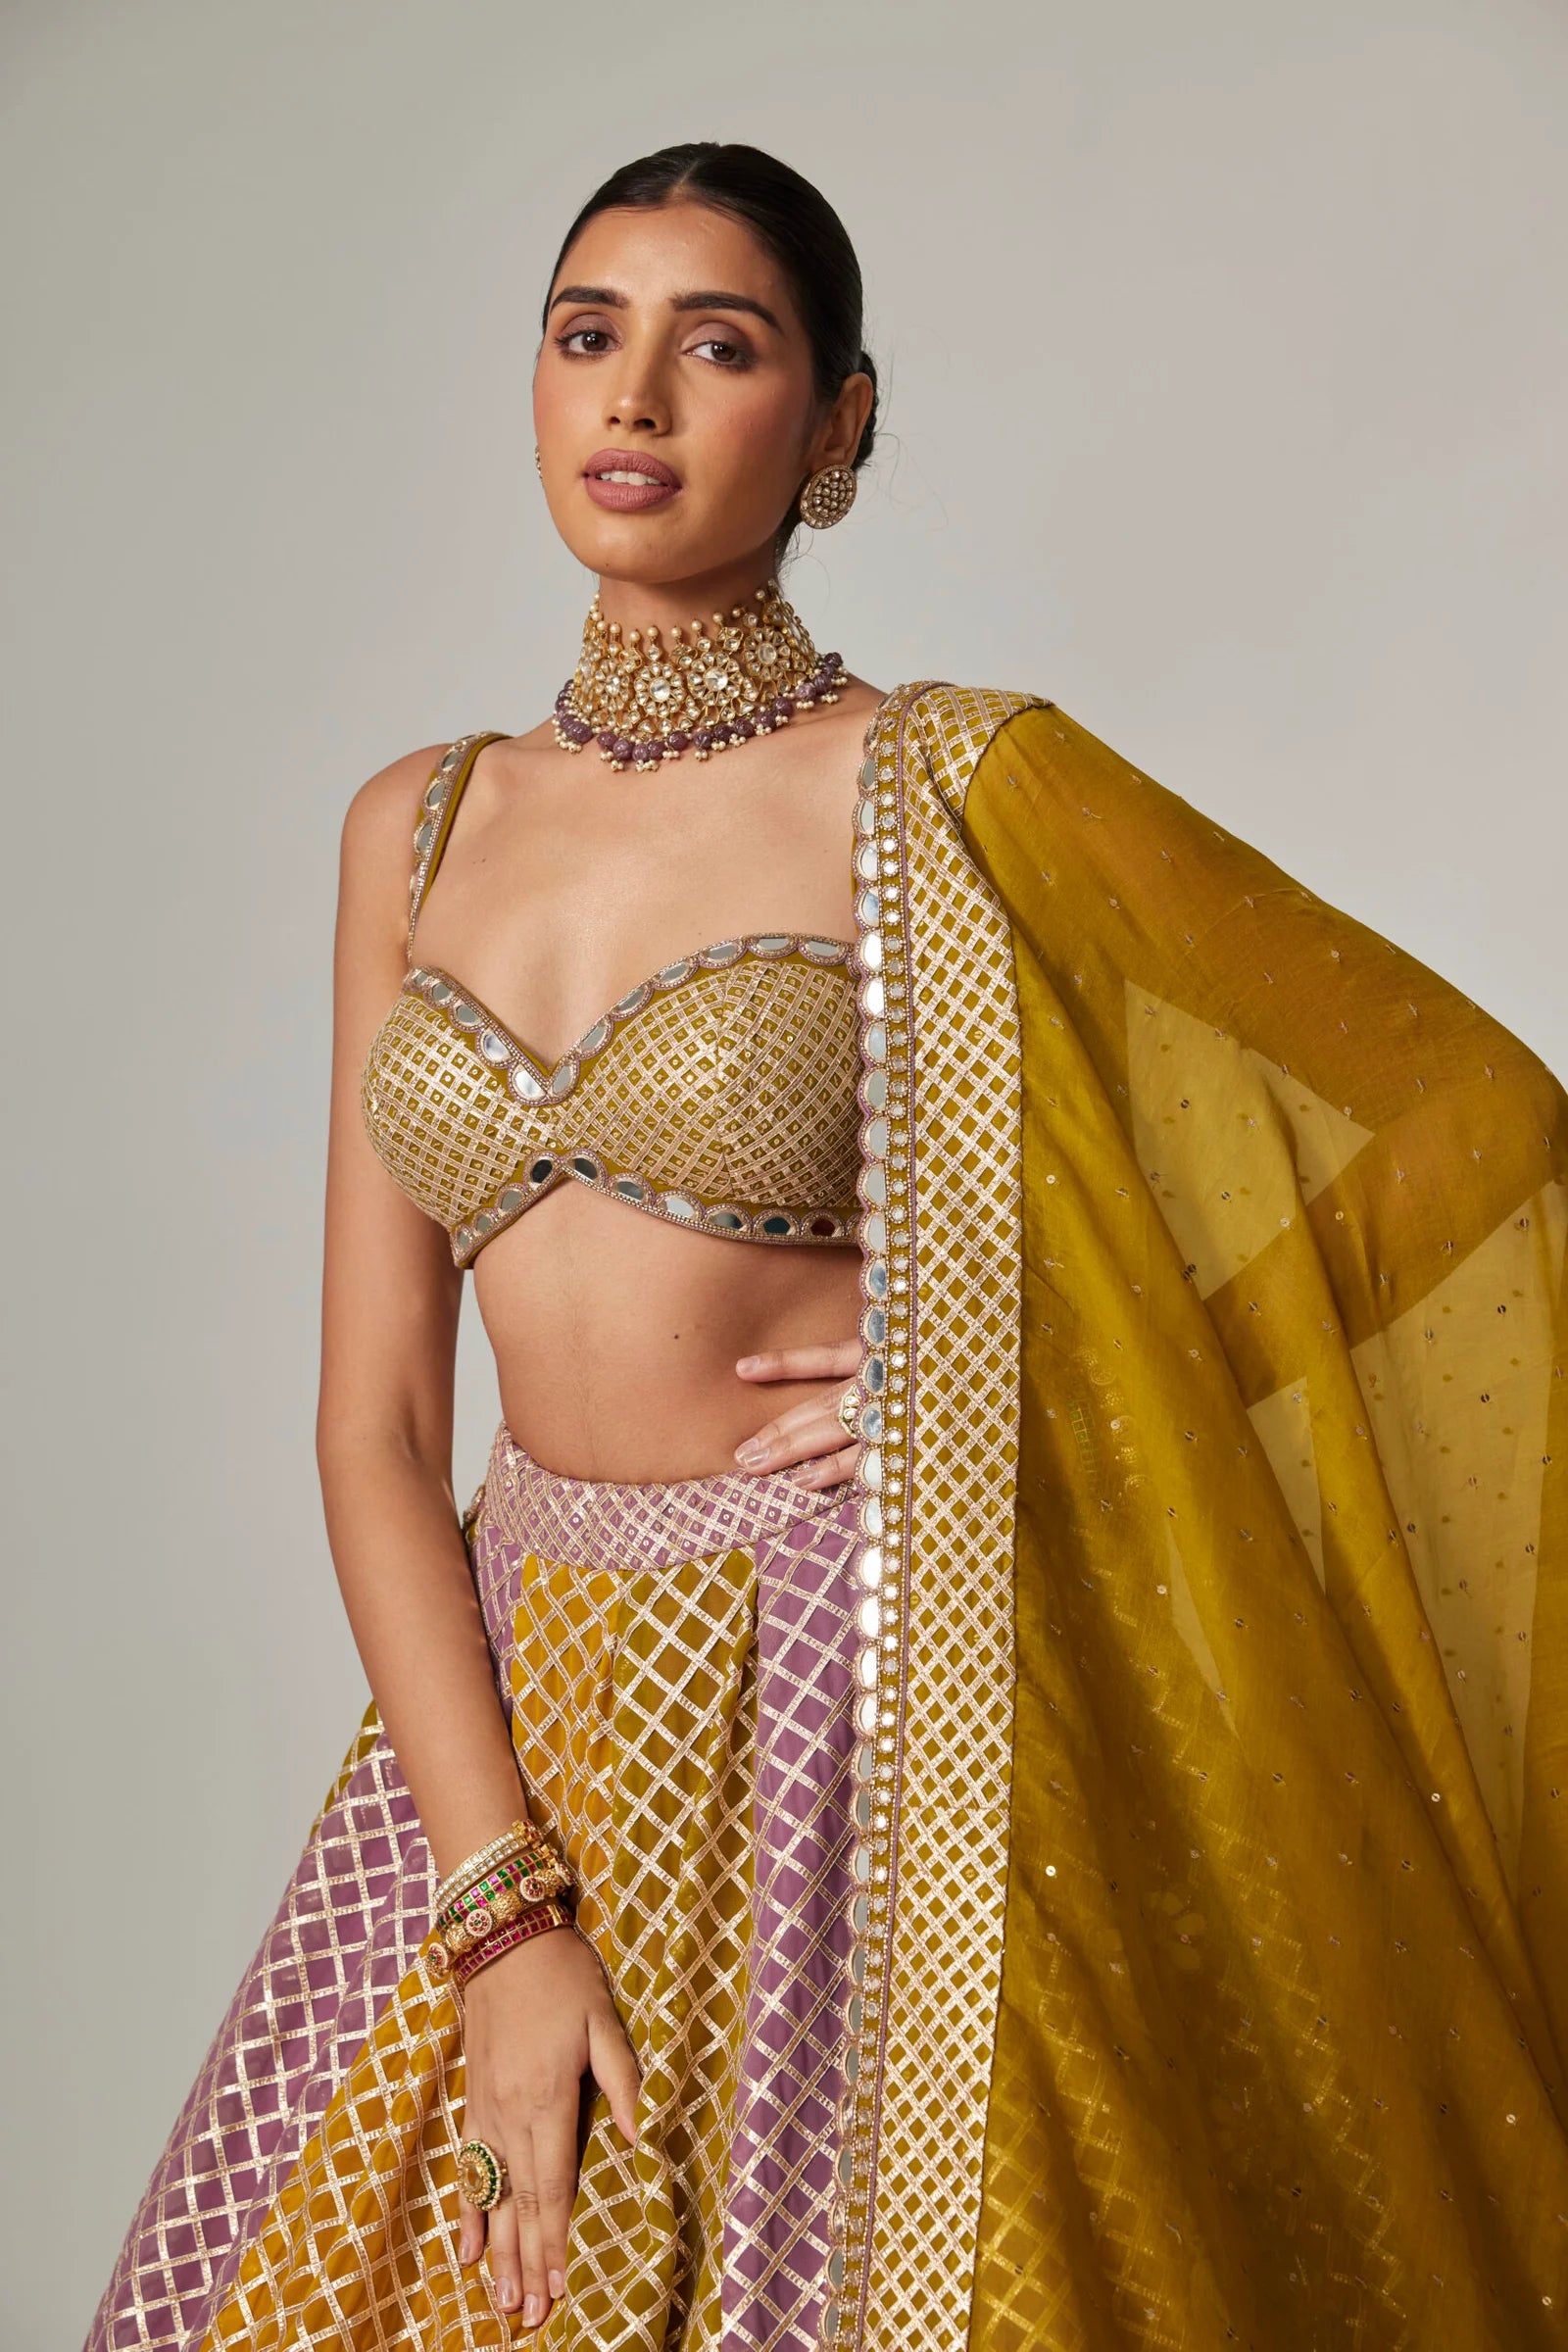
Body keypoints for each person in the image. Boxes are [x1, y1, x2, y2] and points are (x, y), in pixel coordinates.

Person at [87, 139, 1568, 2352]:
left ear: (838, 422)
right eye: (588, 335)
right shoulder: (413, 829)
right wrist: (500, 1916)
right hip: (515, 1727)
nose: (635, 398)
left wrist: (1041, 1367)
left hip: (872, 1697)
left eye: (720, 345)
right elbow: (376, 1427)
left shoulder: (948, 785)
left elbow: (1470, 1125)